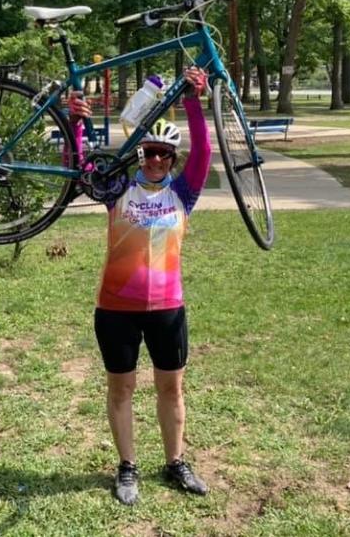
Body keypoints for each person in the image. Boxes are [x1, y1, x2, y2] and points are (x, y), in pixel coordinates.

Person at [67, 66, 211, 505]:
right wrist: (76, 122)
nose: (153, 160)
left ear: (173, 159)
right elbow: (83, 169)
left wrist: (194, 99)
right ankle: (127, 466)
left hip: (168, 308)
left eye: (163, 154)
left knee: (171, 388)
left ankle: (175, 462)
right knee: (122, 388)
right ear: (139, 153)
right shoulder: (117, 190)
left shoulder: (183, 194)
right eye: (148, 152)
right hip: (116, 309)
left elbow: (204, 149)